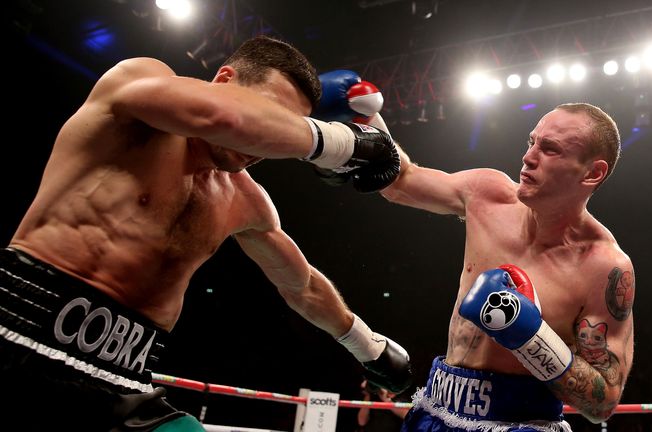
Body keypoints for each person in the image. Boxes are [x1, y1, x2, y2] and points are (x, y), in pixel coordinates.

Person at [0, 36, 411, 431]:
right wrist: (344, 143)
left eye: (288, 127)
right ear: (224, 80)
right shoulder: (138, 86)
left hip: (122, 377)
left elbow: (301, 286)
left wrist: (367, 346)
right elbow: (225, 117)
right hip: (16, 329)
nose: (265, 141)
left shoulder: (245, 200)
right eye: (271, 115)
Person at [314, 85, 634, 431]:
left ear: (592, 173)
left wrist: (531, 338)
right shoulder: (488, 193)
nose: (529, 157)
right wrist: (363, 118)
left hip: (519, 423)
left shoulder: (603, 266)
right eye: (532, 141)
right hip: (435, 408)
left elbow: (604, 400)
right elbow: (400, 181)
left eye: (550, 149)